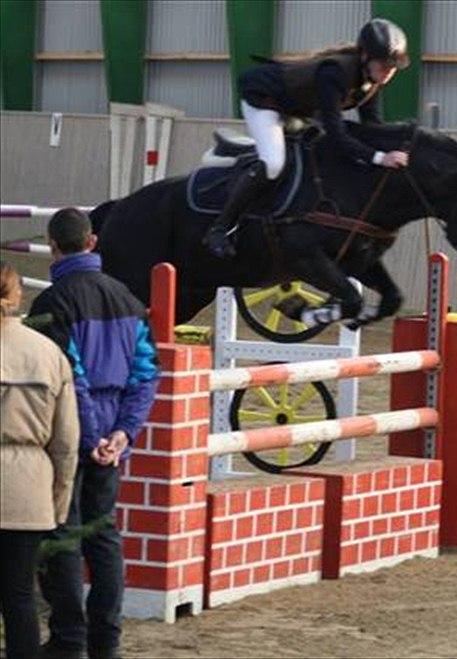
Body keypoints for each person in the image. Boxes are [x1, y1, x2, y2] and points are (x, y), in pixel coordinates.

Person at [27, 208, 160, 659]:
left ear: (52, 244)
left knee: (63, 535)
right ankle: (108, 641)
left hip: (71, 436)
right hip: (113, 437)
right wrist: (123, 432)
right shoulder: (129, 299)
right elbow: (145, 375)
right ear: (92, 242)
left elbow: (70, 379)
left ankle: (69, 639)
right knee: (104, 538)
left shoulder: (52, 303)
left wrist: (89, 437)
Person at [204, 17, 411, 259]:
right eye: (384, 65)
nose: (388, 72)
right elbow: (336, 134)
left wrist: (403, 144)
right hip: (264, 100)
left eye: (392, 67)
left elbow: (372, 125)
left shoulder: (372, 80)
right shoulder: (336, 73)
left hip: (298, 109)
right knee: (273, 163)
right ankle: (220, 228)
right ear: (365, 56)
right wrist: (379, 157)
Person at [0, 262, 79, 659]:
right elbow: (66, 442)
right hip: (28, 491)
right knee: (19, 598)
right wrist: (59, 503)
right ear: (17, 298)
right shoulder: (48, 353)